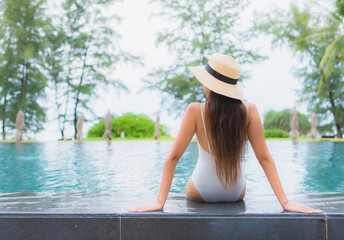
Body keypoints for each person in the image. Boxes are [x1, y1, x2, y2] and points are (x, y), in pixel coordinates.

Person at [130, 54, 322, 213]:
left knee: (190, 179)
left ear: (209, 85)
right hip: (235, 192)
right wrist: (285, 203)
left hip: (201, 190)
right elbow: (264, 158)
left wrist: (160, 203)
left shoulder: (195, 110)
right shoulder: (250, 111)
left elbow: (173, 157)